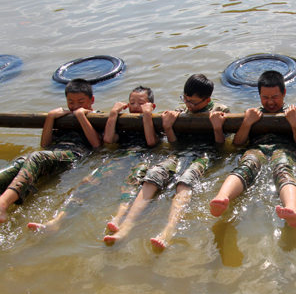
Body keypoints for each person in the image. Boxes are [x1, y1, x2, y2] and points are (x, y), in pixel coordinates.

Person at [103, 74, 229, 248]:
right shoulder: (180, 110)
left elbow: (221, 146)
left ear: (207, 100)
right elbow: (175, 145)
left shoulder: (220, 109)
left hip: (205, 154)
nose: (188, 105)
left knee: (185, 181)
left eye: (193, 102)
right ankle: (126, 227)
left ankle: (168, 231)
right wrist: (168, 126)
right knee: (153, 174)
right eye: (185, 99)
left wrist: (216, 126)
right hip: (180, 153)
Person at [27, 86, 159, 231]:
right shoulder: (125, 124)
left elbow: (151, 142)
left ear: (150, 106)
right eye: (131, 103)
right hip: (120, 157)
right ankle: (57, 220)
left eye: (140, 103)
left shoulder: (154, 122)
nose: (134, 107)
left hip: (143, 158)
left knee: (130, 184)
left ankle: (118, 219)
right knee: (88, 182)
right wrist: (114, 112)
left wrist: (146, 115)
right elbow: (108, 139)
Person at [209, 70, 296, 228]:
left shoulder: (293, 112)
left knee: (282, 167)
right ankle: (222, 197)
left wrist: (295, 124)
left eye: (275, 97)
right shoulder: (253, 113)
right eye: (265, 97)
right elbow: (237, 143)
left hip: (284, 149)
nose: (270, 102)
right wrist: (247, 122)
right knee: (247, 163)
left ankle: (291, 207)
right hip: (257, 149)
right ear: (259, 95)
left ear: (284, 93)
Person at [0, 78, 102, 224]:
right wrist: (50, 117)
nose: (75, 106)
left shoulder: (97, 116)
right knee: (21, 162)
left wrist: (80, 116)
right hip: (52, 152)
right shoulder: (64, 117)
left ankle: (3, 204)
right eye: (71, 102)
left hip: (74, 155)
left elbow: (97, 145)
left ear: (91, 100)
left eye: (81, 102)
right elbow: (45, 144)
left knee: (36, 157)